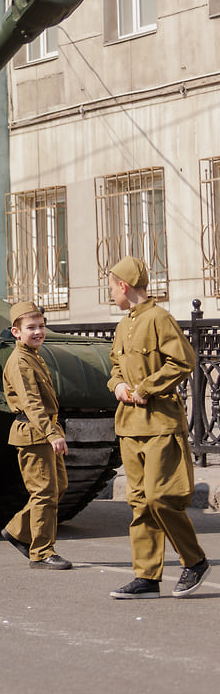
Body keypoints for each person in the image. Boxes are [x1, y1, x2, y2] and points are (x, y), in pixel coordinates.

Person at [106, 255, 211, 599]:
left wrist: (145, 388)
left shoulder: (159, 318)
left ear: (123, 286)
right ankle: (147, 577)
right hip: (130, 426)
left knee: (160, 498)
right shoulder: (123, 326)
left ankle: (193, 561)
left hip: (160, 424)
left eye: (112, 287)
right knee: (139, 502)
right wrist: (118, 385)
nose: (111, 294)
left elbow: (184, 360)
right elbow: (116, 366)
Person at [0, 301, 71, 570]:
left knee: (58, 487)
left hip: (44, 430)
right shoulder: (20, 362)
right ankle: (41, 552)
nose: (38, 331)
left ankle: (19, 530)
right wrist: (52, 433)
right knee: (43, 493)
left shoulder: (33, 355)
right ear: (16, 332)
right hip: (34, 432)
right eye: (31, 327)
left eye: (41, 326)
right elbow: (31, 404)